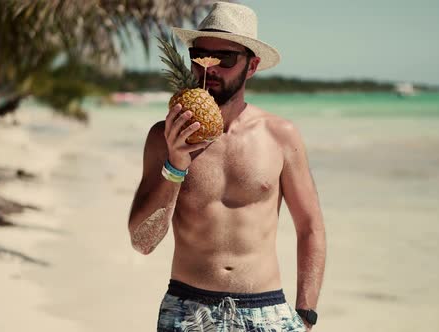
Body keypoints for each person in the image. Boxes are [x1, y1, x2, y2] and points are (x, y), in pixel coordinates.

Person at [128, 2, 326, 331]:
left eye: (227, 58)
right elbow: (142, 243)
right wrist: (176, 165)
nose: (210, 68)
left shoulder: (280, 135)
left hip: (266, 310)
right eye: (200, 55)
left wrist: (306, 315)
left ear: (252, 66)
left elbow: (311, 228)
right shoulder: (163, 137)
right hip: (187, 309)